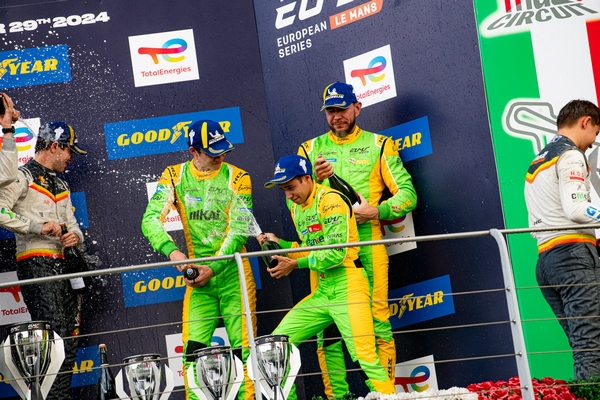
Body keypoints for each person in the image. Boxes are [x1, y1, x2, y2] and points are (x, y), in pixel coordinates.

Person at [297, 81, 417, 396]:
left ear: (357, 108)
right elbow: (294, 201)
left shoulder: (380, 144)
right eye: (330, 111)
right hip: (326, 250)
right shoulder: (309, 149)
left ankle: (383, 394)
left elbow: (408, 195)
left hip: (367, 245)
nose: (337, 116)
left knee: (377, 322)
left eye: (342, 109)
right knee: (327, 328)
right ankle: (338, 396)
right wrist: (314, 186)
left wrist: (375, 212)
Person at [259, 154, 396, 397]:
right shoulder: (297, 207)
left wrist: (295, 264)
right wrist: (280, 244)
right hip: (323, 290)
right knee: (274, 348)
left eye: (291, 187)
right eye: (283, 190)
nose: (288, 195)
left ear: (306, 178)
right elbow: (310, 248)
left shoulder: (331, 199)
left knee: (364, 358)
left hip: (348, 286)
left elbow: (335, 253)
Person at [141, 119, 256, 400]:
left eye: (223, 150)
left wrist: (213, 267)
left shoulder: (239, 177)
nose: (220, 157)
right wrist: (172, 251)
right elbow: (150, 219)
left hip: (233, 273)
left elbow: (240, 229)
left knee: (244, 352)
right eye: (212, 152)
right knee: (192, 353)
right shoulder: (174, 175)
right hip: (198, 282)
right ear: (193, 151)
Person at [0, 119, 87, 399]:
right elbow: (0, 210)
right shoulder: (22, 176)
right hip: (36, 262)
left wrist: (75, 238)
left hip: (65, 266)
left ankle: (59, 397)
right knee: (53, 335)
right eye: (69, 151)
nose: (71, 158)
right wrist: (37, 227)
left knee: (69, 338)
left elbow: (73, 226)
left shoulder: (61, 183)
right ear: (54, 146)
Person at [524, 99, 600, 380]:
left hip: (546, 261)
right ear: (585, 122)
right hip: (573, 258)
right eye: (595, 133)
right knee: (591, 345)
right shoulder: (570, 155)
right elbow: (577, 209)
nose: (592, 143)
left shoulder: (538, 160)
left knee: (584, 344)